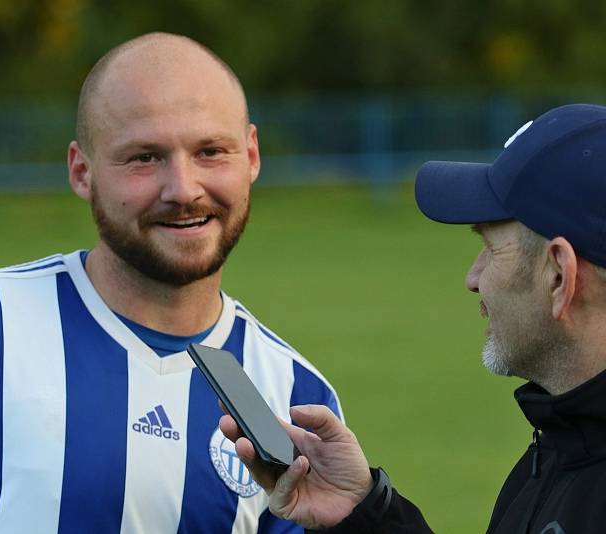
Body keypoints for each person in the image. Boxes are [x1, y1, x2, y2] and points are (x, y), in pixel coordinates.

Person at [0, 33, 341, 533]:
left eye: (210, 151)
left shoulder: (296, 397)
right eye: (144, 158)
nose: (183, 188)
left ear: (251, 155)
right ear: (81, 171)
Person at [220, 103, 606, 534]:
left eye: (492, 247)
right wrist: (364, 513)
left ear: (559, 275)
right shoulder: (563, 447)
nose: (473, 278)